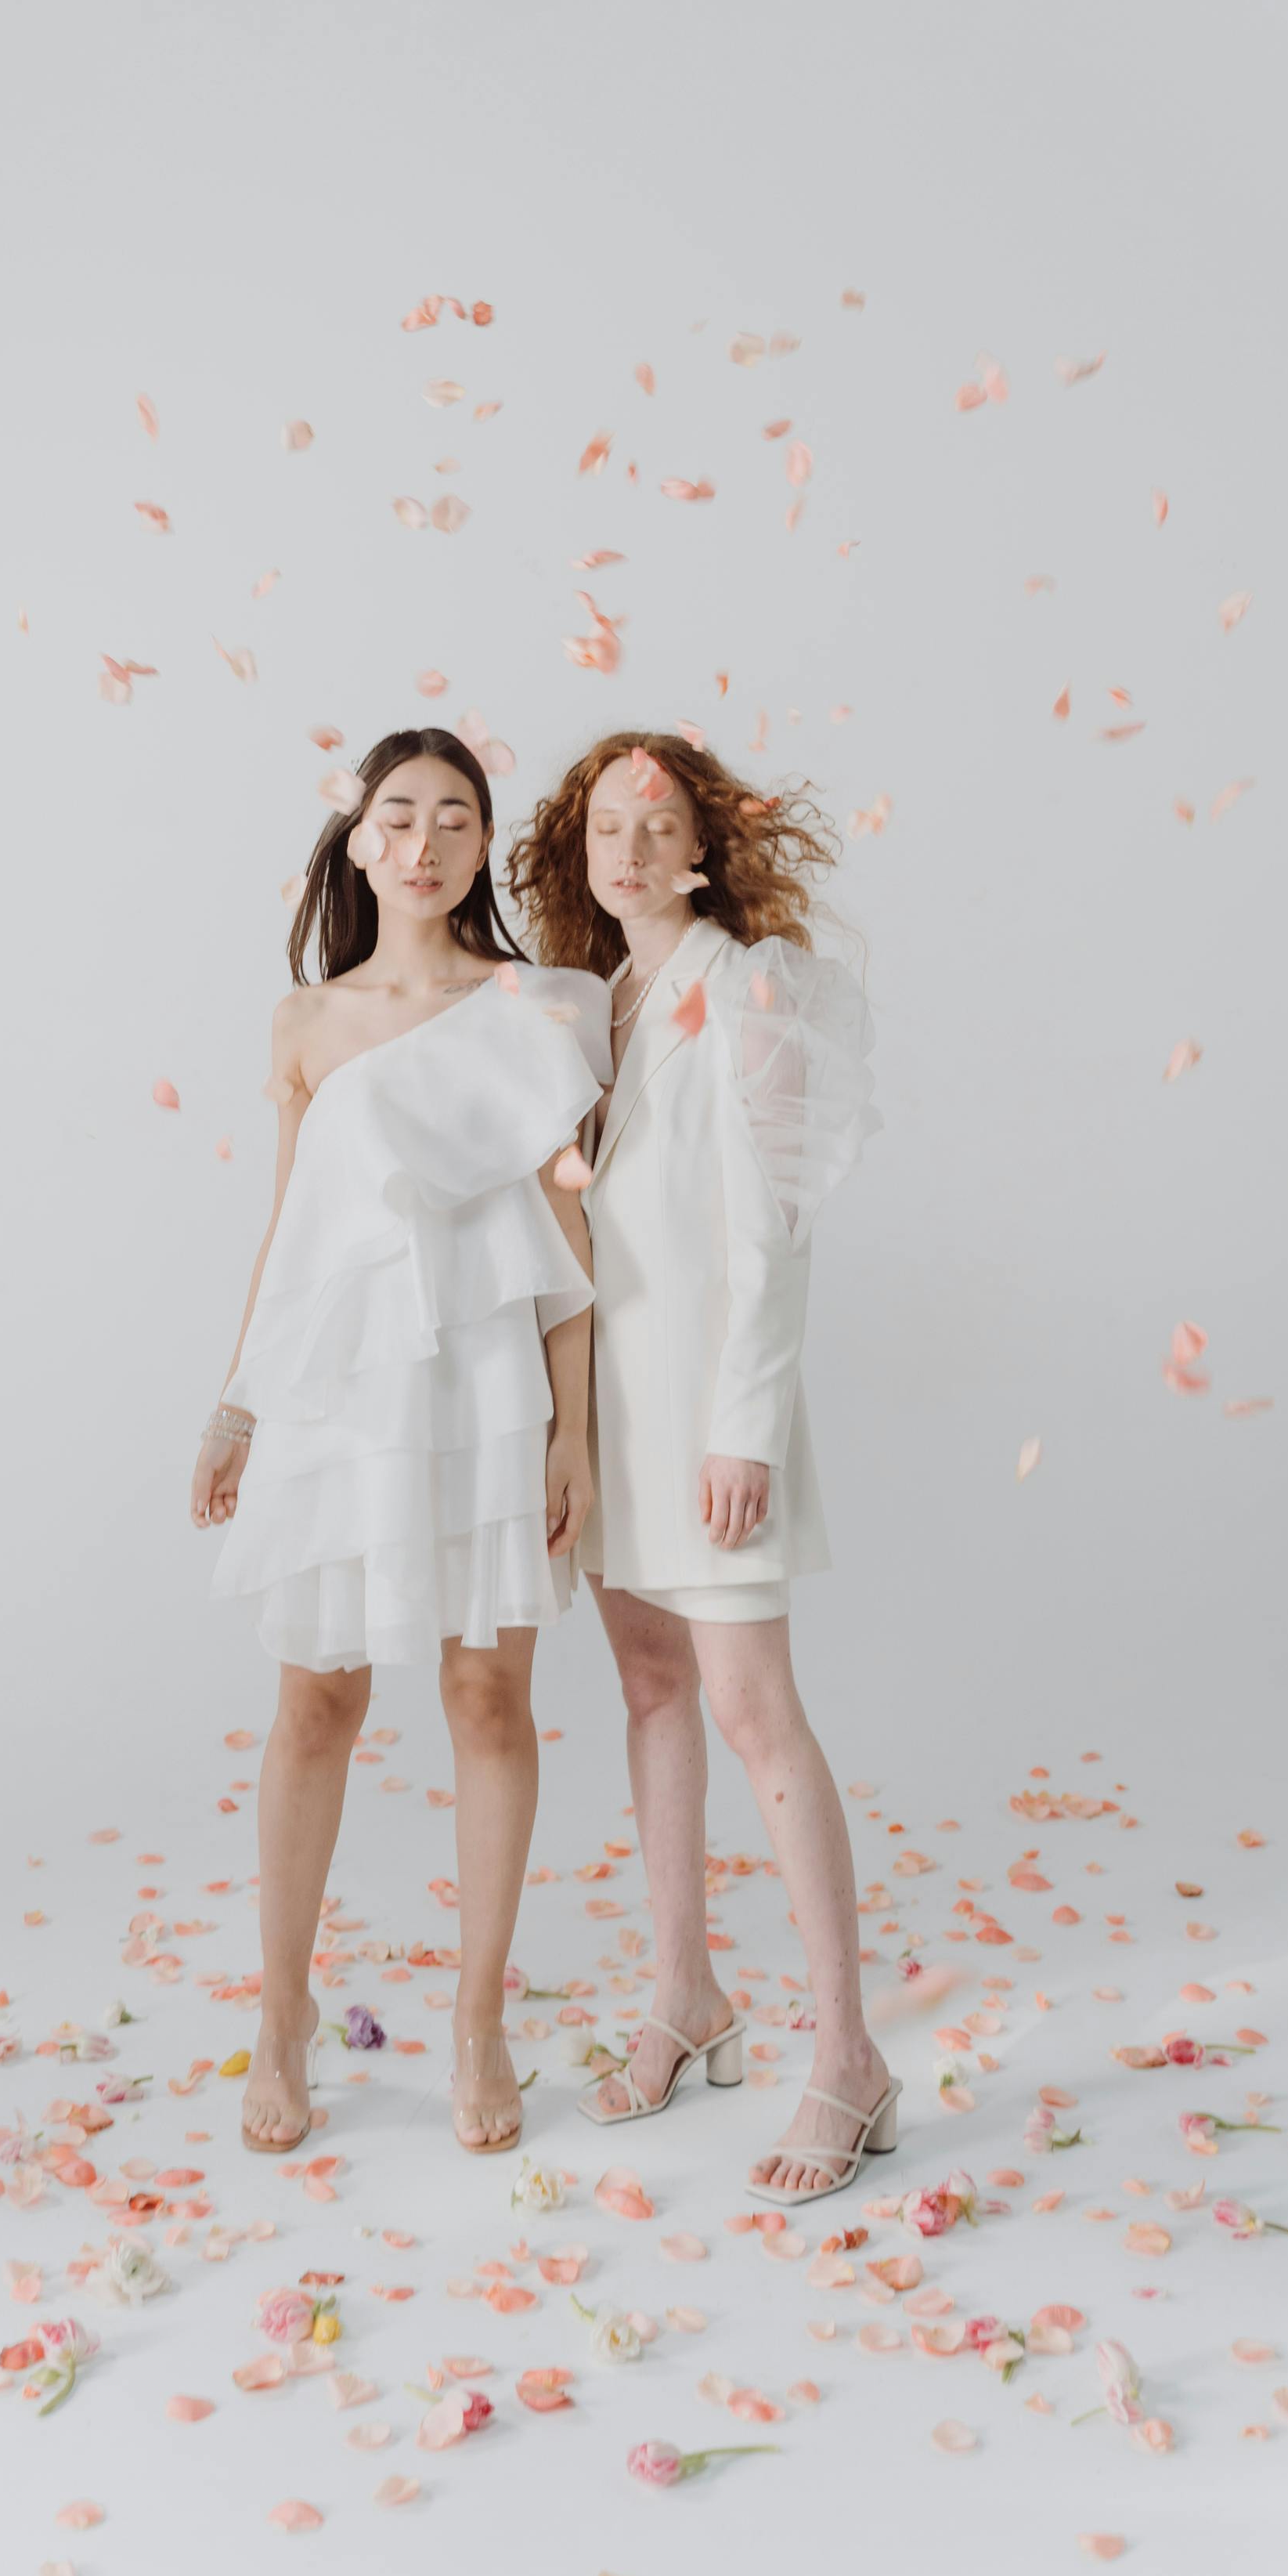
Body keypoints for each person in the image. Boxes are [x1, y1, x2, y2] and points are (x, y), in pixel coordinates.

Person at [193, 728, 609, 2159]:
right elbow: (291, 1232)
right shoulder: (306, 1023)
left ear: (481, 844)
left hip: (488, 1381)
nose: (422, 841)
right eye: (396, 816)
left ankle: (479, 2018)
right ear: (359, 840)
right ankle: (281, 2013)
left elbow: (567, 1219)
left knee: (488, 1693)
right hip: (345, 1391)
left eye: (452, 816)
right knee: (319, 1696)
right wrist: (240, 1402)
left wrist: (576, 1432)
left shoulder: (532, 1007)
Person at [507, 728, 897, 2206]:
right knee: (652, 1690)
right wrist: (568, 1431)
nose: (622, 845)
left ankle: (847, 2053)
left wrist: (744, 1424)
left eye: (650, 820)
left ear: (701, 842)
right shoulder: (595, 1005)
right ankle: (688, 1993)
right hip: (618, 1407)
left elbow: (776, 1234)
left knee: (751, 1709)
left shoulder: (753, 990)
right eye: (600, 822)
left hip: (714, 1416)